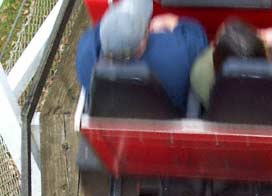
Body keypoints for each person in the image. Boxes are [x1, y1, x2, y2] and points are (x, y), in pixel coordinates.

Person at [76, 0, 208, 112]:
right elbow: (199, 38)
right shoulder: (178, 54)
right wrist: (171, 21)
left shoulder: (85, 54)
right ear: (145, 38)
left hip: (122, 122)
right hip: (169, 120)